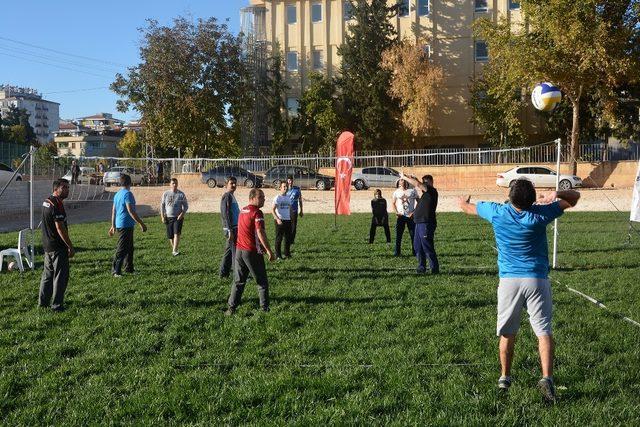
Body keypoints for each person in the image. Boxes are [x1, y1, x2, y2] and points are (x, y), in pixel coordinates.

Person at [458, 179, 580, 403]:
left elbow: (467, 208)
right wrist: (555, 193)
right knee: (543, 331)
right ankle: (547, 378)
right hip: (536, 279)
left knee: (507, 332)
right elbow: (574, 198)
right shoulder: (541, 215)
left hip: (509, 282)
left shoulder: (497, 212)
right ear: (532, 198)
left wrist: (463, 201)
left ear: (511, 197)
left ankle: (505, 377)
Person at [226, 189, 275, 314]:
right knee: (262, 282)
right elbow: (260, 232)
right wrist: (269, 250)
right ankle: (265, 309)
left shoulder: (243, 210)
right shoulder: (257, 213)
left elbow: (248, 231)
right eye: (261, 197)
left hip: (239, 251)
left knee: (238, 281)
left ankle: (231, 308)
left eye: (264, 197)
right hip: (251, 252)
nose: (264, 199)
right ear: (252, 198)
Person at [39, 178, 74, 312]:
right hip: (58, 246)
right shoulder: (56, 204)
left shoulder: (46, 201)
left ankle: (43, 303)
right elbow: (59, 227)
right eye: (64, 187)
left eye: (68, 187)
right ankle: (57, 305)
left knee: (47, 275)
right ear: (56, 189)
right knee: (60, 276)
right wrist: (70, 246)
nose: (67, 190)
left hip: (48, 246)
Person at [400, 173, 439, 274]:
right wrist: (411, 178)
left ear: (431, 182)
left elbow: (418, 184)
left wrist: (404, 178)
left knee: (427, 246)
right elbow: (418, 183)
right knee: (418, 246)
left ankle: (434, 269)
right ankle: (421, 267)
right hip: (418, 223)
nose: (424, 184)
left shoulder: (432, 191)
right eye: (423, 182)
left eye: (426, 182)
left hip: (426, 223)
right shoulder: (425, 194)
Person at [109, 174, 147, 276]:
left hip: (123, 224)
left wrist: (113, 225)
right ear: (130, 183)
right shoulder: (128, 194)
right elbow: (131, 211)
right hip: (125, 225)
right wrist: (141, 223)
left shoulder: (117, 194)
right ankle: (115, 271)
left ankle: (129, 268)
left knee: (130, 248)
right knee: (122, 249)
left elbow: (113, 211)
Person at [160, 178, 189, 256]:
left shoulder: (181, 194)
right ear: (170, 184)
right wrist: (162, 216)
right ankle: (175, 249)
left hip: (178, 217)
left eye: (176, 183)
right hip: (168, 217)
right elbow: (162, 206)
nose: (174, 185)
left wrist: (182, 214)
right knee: (170, 236)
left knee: (177, 233)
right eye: (173, 183)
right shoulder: (165, 194)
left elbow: (186, 206)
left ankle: (174, 250)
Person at [219, 176, 240, 278]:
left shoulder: (232, 196)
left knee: (229, 251)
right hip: (231, 229)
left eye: (235, 183)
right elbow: (225, 213)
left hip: (235, 227)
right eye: (231, 183)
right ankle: (238, 275)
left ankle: (223, 273)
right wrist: (230, 229)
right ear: (226, 185)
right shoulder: (226, 196)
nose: (234, 185)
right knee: (236, 253)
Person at [392, 178, 417, 256]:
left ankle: (415, 252)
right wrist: (396, 212)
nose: (401, 181)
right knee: (398, 236)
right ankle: (397, 253)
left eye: (403, 180)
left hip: (410, 217)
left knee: (413, 236)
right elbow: (393, 203)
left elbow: (419, 202)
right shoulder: (396, 192)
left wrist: (413, 212)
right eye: (400, 180)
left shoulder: (412, 191)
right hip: (401, 217)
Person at [272, 181, 293, 259]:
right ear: (280, 188)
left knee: (288, 238)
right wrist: (277, 219)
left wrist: (291, 218)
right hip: (280, 220)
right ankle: (278, 255)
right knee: (279, 238)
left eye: (286, 186)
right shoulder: (277, 198)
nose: (286, 188)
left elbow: (290, 209)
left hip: (288, 220)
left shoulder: (288, 197)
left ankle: (287, 254)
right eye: (284, 187)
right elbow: (272, 210)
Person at [286, 175, 303, 244]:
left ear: (293, 181)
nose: (290, 181)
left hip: (294, 210)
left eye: (291, 180)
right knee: (287, 225)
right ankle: (287, 239)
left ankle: (291, 240)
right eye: (289, 180)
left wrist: (301, 210)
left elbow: (300, 200)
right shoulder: (285, 189)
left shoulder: (297, 189)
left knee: (293, 226)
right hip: (286, 210)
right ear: (287, 181)